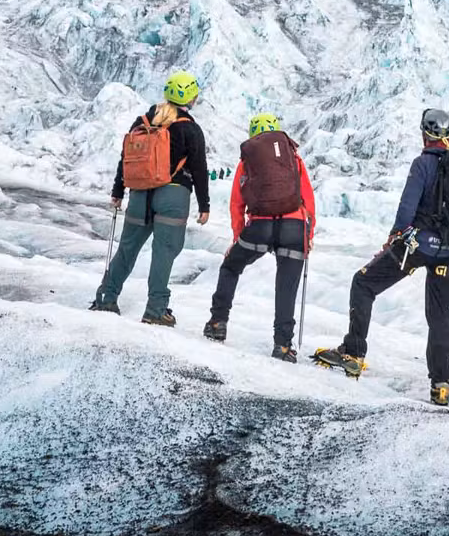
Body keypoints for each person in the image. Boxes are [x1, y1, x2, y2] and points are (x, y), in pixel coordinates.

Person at [313, 107, 449, 406]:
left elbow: (406, 211)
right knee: (439, 314)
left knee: (363, 284)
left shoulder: (423, 164)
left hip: (419, 246)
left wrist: (393, 240)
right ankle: (441, 383)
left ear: (425, 134)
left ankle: (353, 353)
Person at [90, 71, 211, 325]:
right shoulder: (190, 128)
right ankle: (156, 310)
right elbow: (199, 169)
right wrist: (204, 205)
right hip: (173, 195)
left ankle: (106, 297)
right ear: (189, 97)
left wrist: (117, 191)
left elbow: (127, 157)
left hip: (139, 194)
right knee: (163, 253)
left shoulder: (143, 121)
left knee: (127, 248)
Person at [203, 114, 316, 362]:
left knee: (231, 267)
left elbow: (237, 202)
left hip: (260, 227)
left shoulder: (248, 162)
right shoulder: (293, 159)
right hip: (294, 227)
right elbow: (308, 199)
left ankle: (218, 322)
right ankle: (283, 346)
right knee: (286, 287)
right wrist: (308, 234)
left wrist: (237, 235)